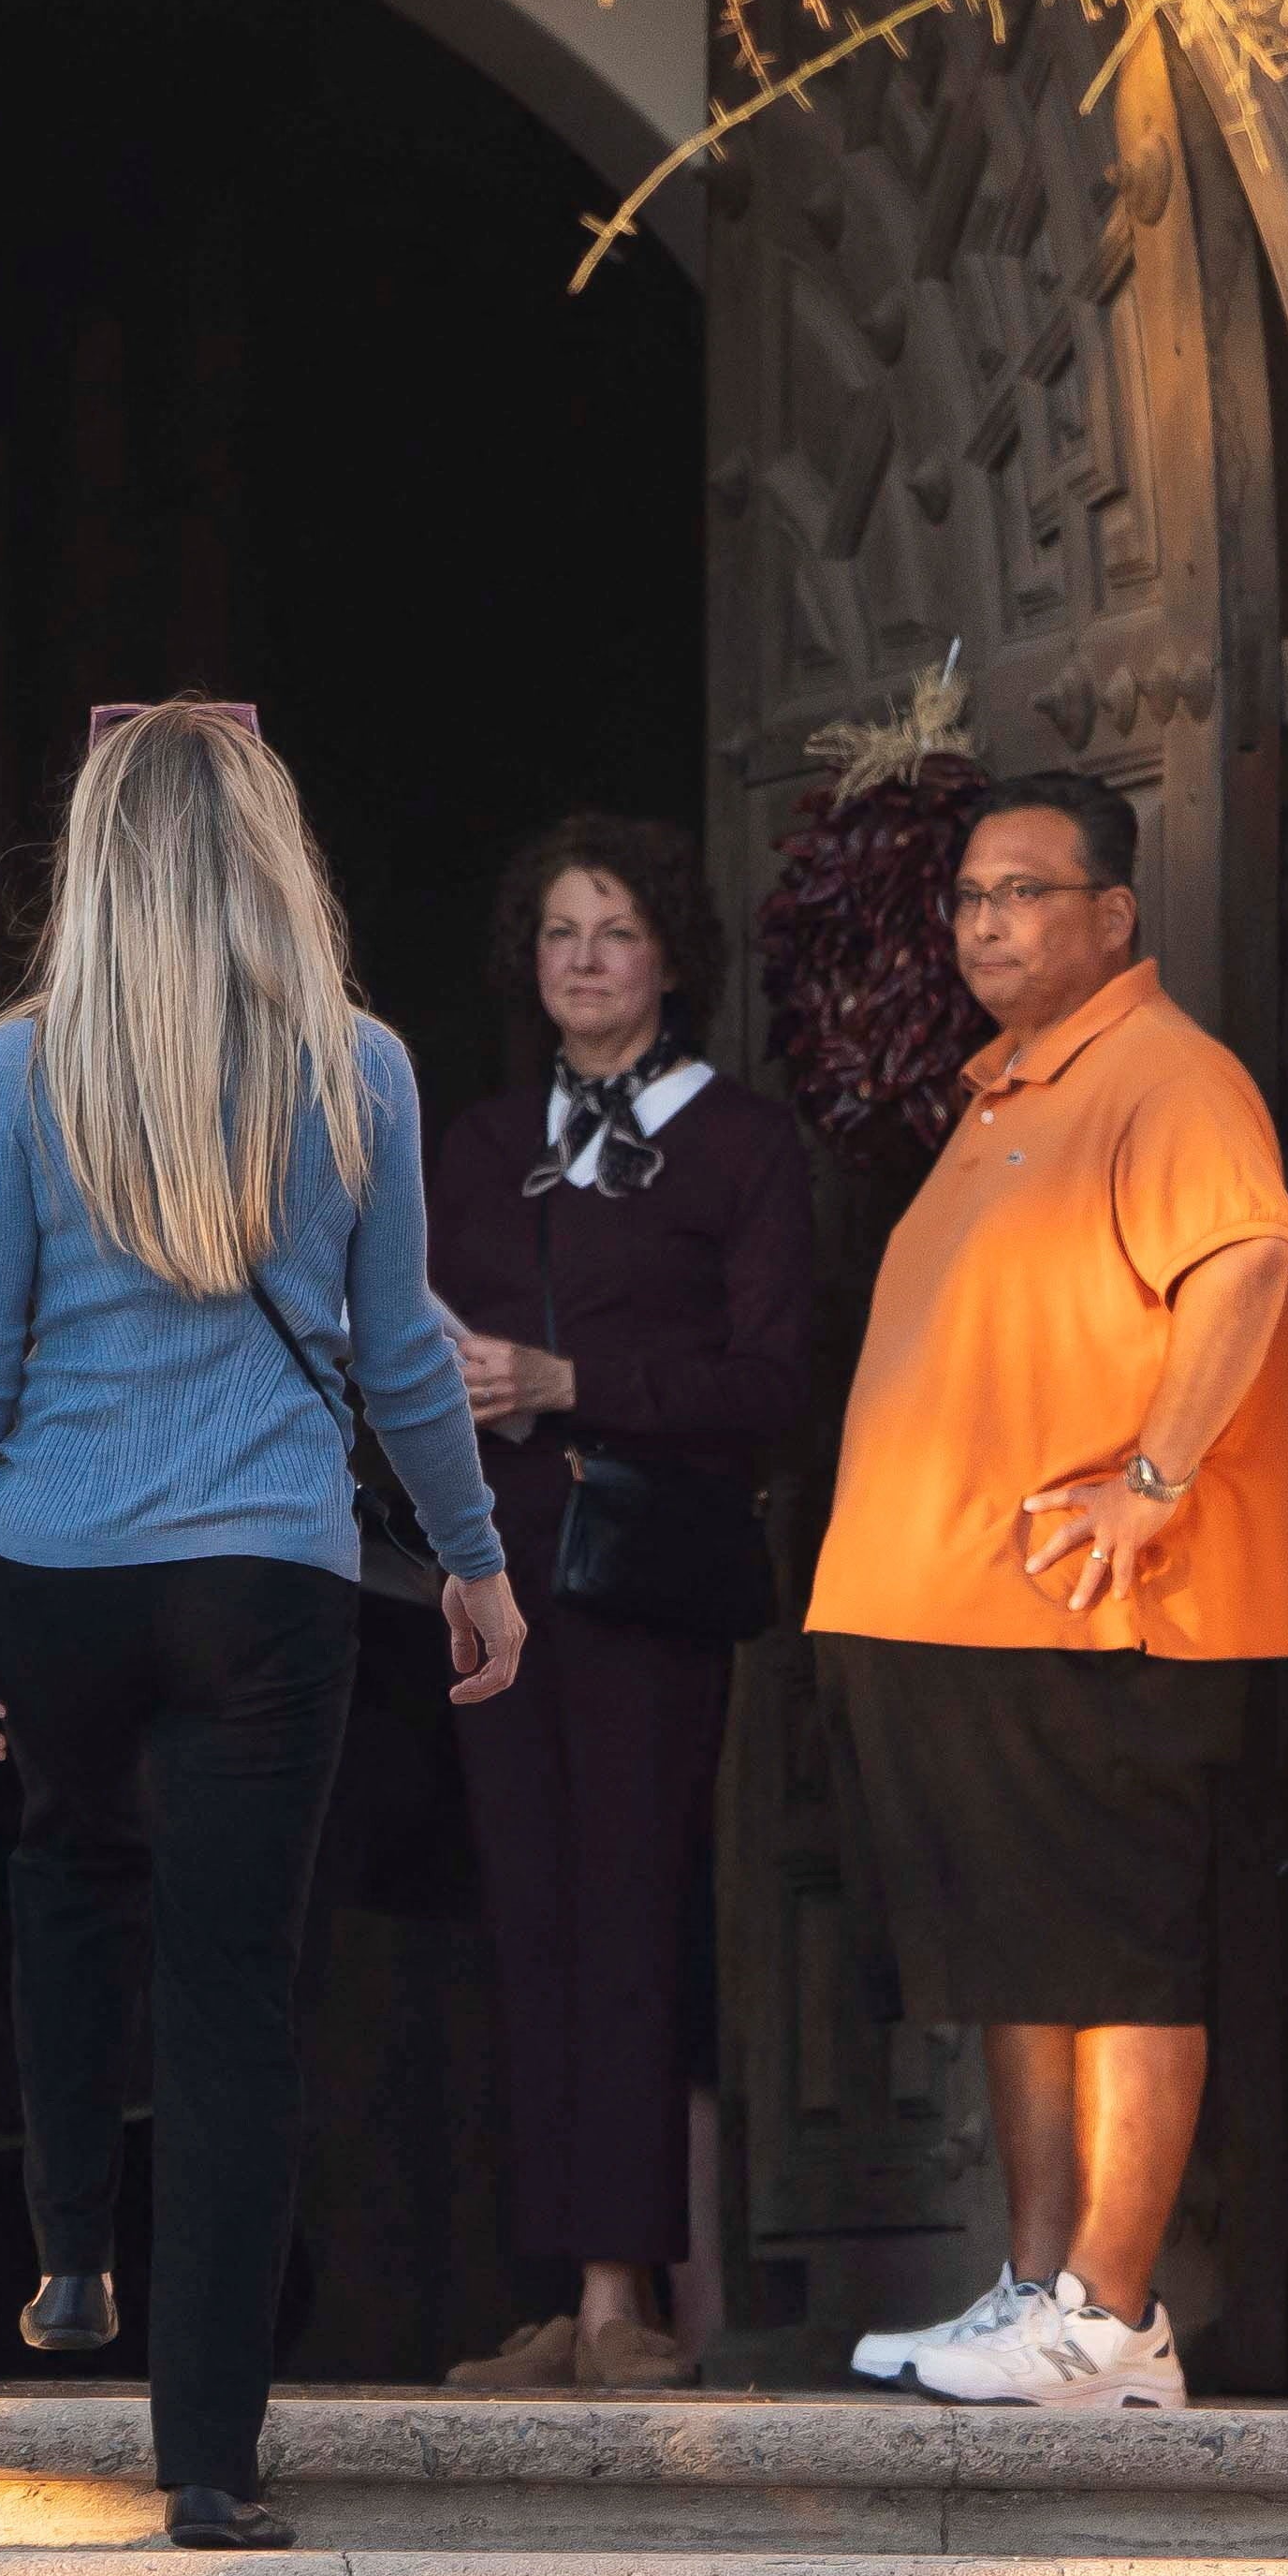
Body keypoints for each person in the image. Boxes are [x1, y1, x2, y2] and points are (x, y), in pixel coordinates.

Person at [0, 700, 521, 2552]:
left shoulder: (14, 1074)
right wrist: (473, 1558)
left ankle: (71, 2247)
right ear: (273, 856)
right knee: (240, 2001)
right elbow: (402, 1352)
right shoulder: (363, 1070)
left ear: (91, 859)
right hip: (266, 1571)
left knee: (68, 1874)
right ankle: (208, 2461)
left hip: (53, 1562)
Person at [807, 769, 1288, 2411]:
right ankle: (1039, 2298)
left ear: (1114, 915)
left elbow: (1247, 1263)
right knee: (1016, 1964)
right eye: (966, 898)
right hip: (950, 1603)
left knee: (1120, 1963)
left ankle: (1115, 2310)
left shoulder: (1165, 1073)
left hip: (1095, 1609)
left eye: (1024, 892)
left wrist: (1153, 1480)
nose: (985, 922)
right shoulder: (1003, 1087)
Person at [428, 817, 818, 2394]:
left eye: (615, 931)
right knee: (522, 1914)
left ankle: (623, 2294)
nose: (584, 960)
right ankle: (550, 2289)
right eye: (558, 935)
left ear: (671, 958)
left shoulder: (737, 1143)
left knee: (632, 1905)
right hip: (489, 1573)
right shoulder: (472, 1141)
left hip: (644, 1574)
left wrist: (576, 1382)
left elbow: (774, 1378)